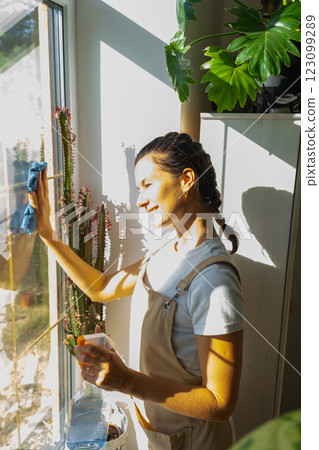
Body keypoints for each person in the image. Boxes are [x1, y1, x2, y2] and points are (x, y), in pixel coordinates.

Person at [29, 132, 244, 450]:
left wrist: (126, 380)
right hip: (155, 437)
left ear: (186, 180)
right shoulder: (164, 253)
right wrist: (48, 235)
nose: (140, 200)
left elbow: (220, 403)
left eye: (147, 185)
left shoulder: (215, 281)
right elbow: (100, 288)